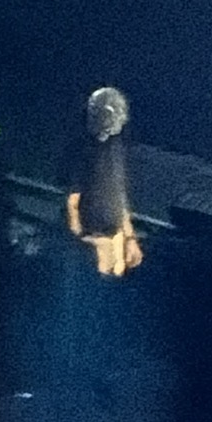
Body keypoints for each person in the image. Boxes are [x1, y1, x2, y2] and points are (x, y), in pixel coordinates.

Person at [65, 86, 143, 278]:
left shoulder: (115, 148)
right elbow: (73, 198)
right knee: (97, 280)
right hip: (93, 236)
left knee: (115, 279)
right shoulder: (82, 149)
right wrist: (81, 236)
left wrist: (129, 237)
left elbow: (118, 194)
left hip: (114, 233)